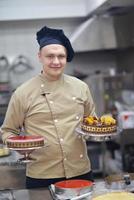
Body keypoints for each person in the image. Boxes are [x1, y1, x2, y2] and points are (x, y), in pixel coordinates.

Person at [1, 26, 96, 189]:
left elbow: (91, 122)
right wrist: (19, 147)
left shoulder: (81, 87)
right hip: (42, 175)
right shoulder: (23, 93)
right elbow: (8, 130)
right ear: (40, 57)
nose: (56, 61)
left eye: (61, 56)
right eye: (50, 56)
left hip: (81, 171)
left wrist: (95, 132)